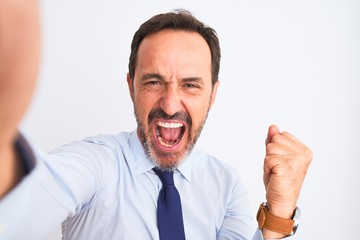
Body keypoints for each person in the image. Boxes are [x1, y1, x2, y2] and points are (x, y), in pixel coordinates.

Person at [0, 1, 312, 239]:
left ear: (213, 95)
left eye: (190, 85)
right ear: (131, 86)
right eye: (153, 82)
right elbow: (28, 198)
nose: (171, 103)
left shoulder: (225, 184)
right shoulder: (96, 163)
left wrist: (280, 210)